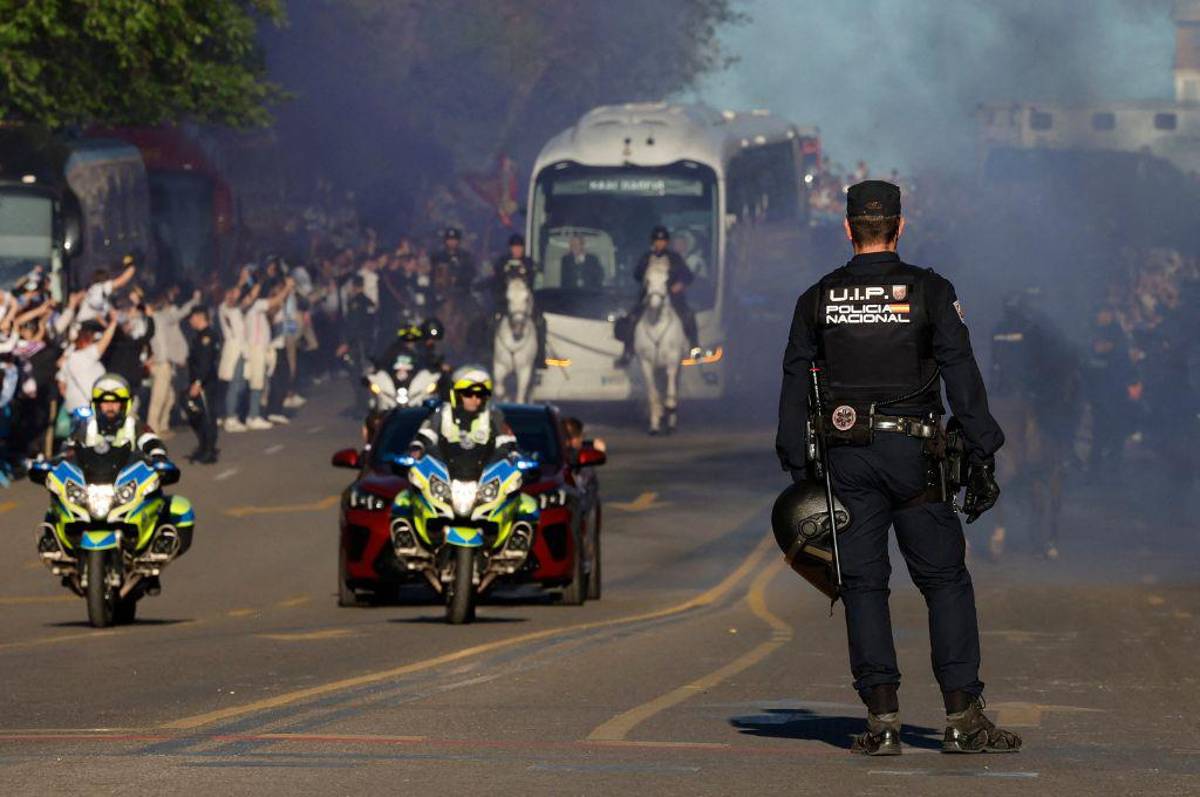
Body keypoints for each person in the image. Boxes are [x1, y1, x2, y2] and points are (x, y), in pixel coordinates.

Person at [775, 180, 1021, 756]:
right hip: (917, 458)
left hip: (848, 458)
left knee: (863, 585)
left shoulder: (816, 298)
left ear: (848, 228)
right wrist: (983, 445)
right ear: (900, 226)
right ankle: (962, 717)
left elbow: (794, 378)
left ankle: (882, 721)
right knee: (944, 582)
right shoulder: (931, 291)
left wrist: (796, 460)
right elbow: (960, 370)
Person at [614, 226, 701, 368]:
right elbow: (636, 275)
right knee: (632, 318)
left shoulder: (674, 257)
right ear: (653, 242)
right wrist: (645, 271)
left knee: (689, 315)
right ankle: (627, 352)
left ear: (667, 242)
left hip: (672, 296)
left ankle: (695, 349)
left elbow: (688, 276)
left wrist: (680, 284)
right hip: (649, 296)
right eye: (657, 241)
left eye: (663, 241)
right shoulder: (646, 257)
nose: (660, 243)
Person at [408, 366, 518, 476]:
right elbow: (424, 437)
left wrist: (511, 455)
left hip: (485, 481)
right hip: (443, 480)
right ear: (457, 394)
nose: (474, 399)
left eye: (480, 395)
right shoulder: (442, 414)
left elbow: (507, 443)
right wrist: (417, 448)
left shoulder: (492, 416)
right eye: (468, 393)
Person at [492, 233, 547, 369]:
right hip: (506, 302)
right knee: (491, 321)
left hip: (524, 303)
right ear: (510, 249)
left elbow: (535, 282)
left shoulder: (528, 263)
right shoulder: (502, 263)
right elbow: (497, 282)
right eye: (514, 247)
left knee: (540, 322)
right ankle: (490, 354)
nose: (517, 250)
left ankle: (540, 357)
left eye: (519, 247)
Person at [184, 305, 220, 464]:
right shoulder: (199, 336)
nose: (190, 321)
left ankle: (209, 451)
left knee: (207, 416)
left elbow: (205, 362)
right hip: (198, 381)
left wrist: (198, 382)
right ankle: (203, 446)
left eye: (192, 317)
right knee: (197, 414)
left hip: (205, 383)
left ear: (199, 317)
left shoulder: (208, 336)